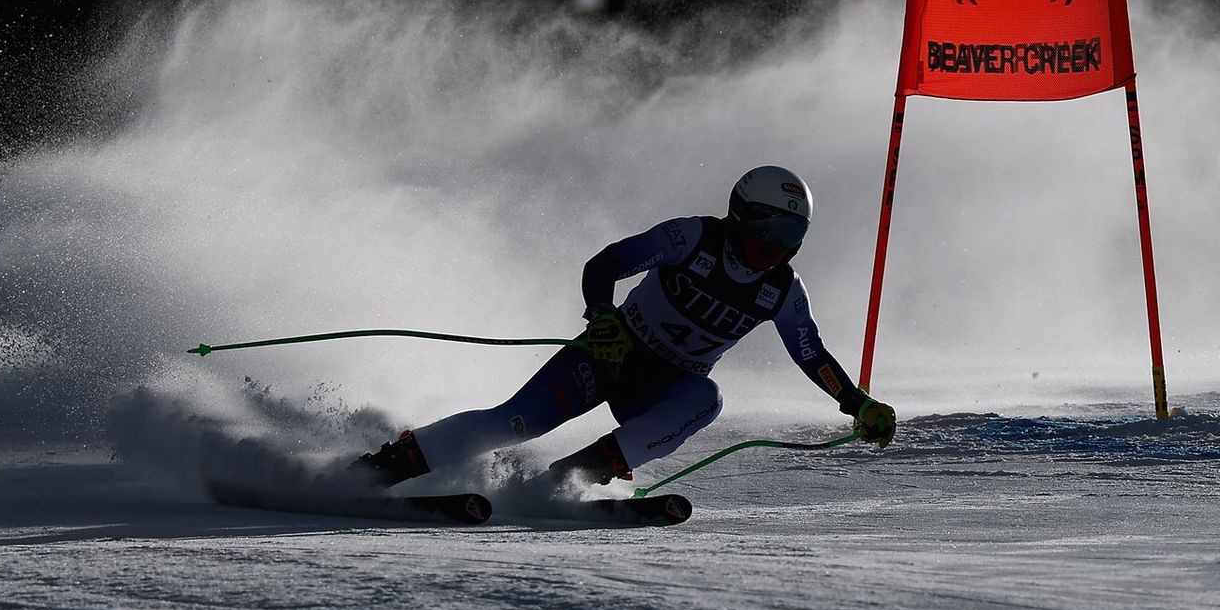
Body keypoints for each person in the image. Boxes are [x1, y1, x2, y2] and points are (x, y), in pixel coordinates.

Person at [355, 165, 896, 489]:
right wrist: (602, 315)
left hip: (662, 388)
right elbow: (607, 264)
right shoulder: (691, 237)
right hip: (609, 355)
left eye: (792, 238)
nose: (776, 250)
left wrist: (857, 403)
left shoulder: (782, 289)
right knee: (517, 423)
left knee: (706, 398)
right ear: (740, 217)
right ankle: (387, 465)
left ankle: (568, 480)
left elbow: (811, 354)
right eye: (769, 233)